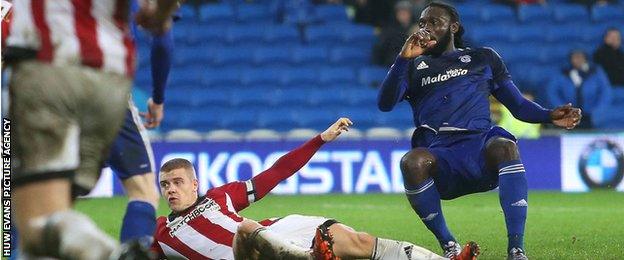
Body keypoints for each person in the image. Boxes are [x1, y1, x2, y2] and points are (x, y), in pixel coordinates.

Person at [377, 2, 581, 260]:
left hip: (479, 148)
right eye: (422, 23)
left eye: (434, 22)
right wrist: (403, 58)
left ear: (453, 27)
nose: (426, 28)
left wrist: (548, 115)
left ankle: (516, 249)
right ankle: (449, 245)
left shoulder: (483, 58)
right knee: (412, 161)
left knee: (505, 145)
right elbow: (385, 104)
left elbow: (517, 105)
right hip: (442, 156)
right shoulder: (414, 67)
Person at [151, 118, 480, 260]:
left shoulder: (219, 196)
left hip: (276, 234)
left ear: (195, 183)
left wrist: (320, 140)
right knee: (247, 229)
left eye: (178, 182)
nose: (171, 190)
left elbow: (277, 171)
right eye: (165, 185)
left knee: (358, 241)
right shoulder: (162, 233)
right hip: (247, 253)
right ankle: (314, 256)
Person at [5, 0, 177, 258]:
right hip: (109, 80)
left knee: (39, 221)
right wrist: (159, 97)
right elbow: (162, 28)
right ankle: (131, 250)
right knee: (143, 191)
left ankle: (105, 253)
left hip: (46, 75)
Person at [111, 0, 175, 244]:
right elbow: (162, 40)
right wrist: (158, 98)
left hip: (40, 88)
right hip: (103, 86)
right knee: (143, 191)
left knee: (37, 194)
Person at [547, 50, 611, 129]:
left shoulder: (596, 71)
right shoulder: (562, 72)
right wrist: (563, 110)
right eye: (575, 57)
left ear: (585, 58)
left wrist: (596, 112)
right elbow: (552, 92)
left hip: (590, 116)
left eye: (580, 57)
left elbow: (605, 92)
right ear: (570, 59)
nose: (578, 60)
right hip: (568, 115)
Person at [373, 1, 414, 66]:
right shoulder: (389, 30)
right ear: (396, 15)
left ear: (410, 14)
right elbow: (379, 48)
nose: (403, 15)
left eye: (406, 12)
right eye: (401, 12)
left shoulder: (416, 28)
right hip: (392, 63)